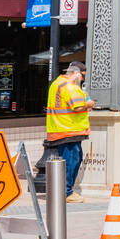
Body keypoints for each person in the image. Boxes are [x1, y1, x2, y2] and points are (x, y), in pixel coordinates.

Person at [45, 61, 94, 203]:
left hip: (60, 129)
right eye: (83, 75)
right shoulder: (69, 86)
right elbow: (78, 107)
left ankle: (63, 191)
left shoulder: (57, 83)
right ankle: (66, 193)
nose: (83, 79)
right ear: (76, 73)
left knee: (70, 159)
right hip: (69, 130)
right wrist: (90, 104)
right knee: (71, 160)